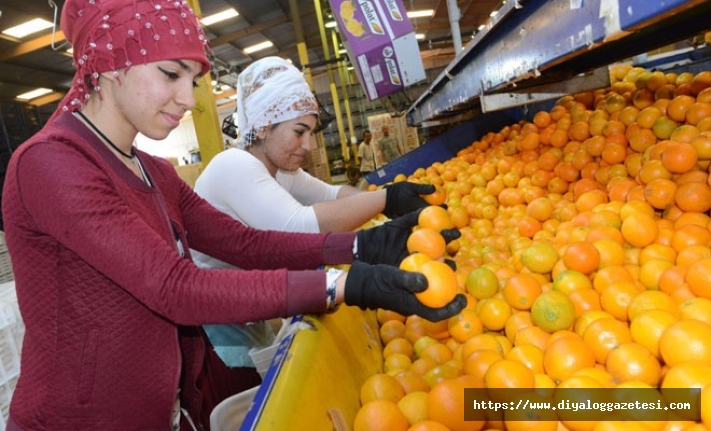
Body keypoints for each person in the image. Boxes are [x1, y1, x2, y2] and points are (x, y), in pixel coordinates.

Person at [0, 1, 467, 430]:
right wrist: (343, 285)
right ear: (108, 66)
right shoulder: (52, 164)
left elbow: (245, 243)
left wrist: (362, 246)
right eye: (170, 74)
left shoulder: (155, 173)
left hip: (170, 406)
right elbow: (174, 288)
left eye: (193, 80)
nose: (188, 98)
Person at [193, 56, 435, 239]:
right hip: (224, 300)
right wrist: (386, 199)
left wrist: (392, 204)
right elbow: (302, 226)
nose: (308, 145)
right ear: (264, 127)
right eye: (299, 132)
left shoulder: (283, 171)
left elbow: (332, 194)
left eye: (310, 132)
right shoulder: (233, 166)